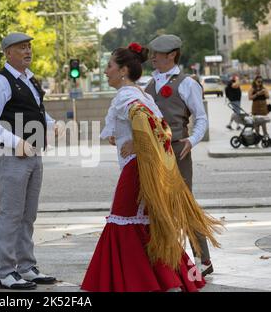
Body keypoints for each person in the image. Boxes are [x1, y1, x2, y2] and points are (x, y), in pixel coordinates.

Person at [81, 43, 222, 292]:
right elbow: (161, 126)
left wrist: (138, 143)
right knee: (145, 223)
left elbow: (149, 123)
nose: (105, 71)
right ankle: (167, 278)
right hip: (144, 166)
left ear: (123, 70)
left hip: (137, 169)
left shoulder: (128, 95)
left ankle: (132, 281)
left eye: (109, 66)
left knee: (122, 219)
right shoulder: (141, 93)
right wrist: (131, 138)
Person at [122, 34, 214, 277]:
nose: (152, 57)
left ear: (172, 55)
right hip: (150, 152)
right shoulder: (148, 84)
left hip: (176, 149)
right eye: (152, 53)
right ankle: (167, 258)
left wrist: (192, 140)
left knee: (183, 205)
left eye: (157, 54)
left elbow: (201, 117)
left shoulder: (187, 83)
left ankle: (203, 259)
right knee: (156, 206)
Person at [0, 32, 57, 290]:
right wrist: (16, 142)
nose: (27, 51)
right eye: (21, 48)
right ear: (8, 53)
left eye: (28, 47)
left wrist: (53, 125)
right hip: (12, 154)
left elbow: (35, 111)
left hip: (34, 153)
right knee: (11, 214)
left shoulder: (29, 79)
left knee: (28, 214)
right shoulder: (1, 82)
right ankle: (6, 272)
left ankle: (26, 267)